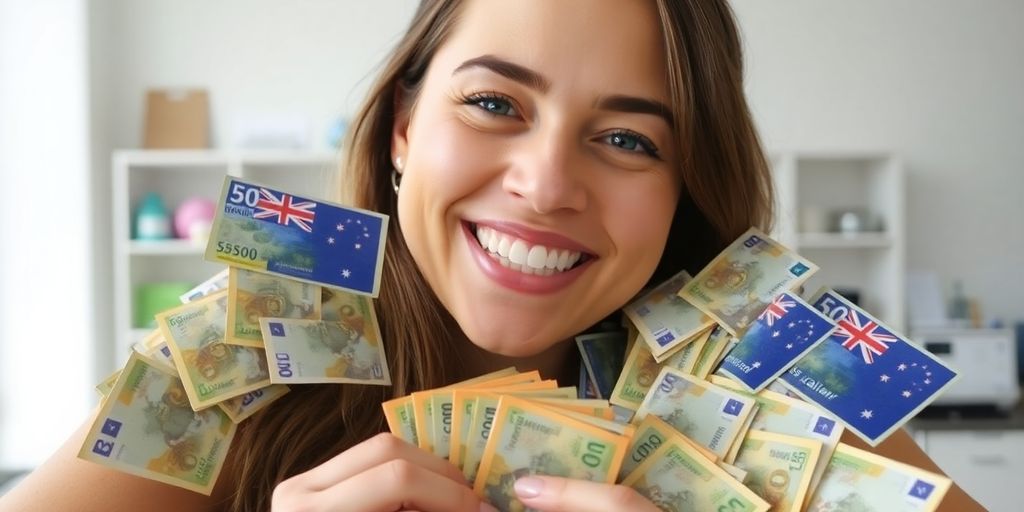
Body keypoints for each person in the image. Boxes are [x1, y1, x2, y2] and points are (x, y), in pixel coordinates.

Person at [0, 1, 984, 511]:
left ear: (685, 184)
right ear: (398, 127)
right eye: (493, 104)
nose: (546, 181)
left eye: (631, 138)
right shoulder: (254, 319)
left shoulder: (776, 341)